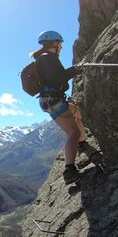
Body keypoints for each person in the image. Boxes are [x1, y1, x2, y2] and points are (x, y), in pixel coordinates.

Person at [31, 31, 86, 184]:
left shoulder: (43, 59)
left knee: (78, 114)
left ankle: (82, 143)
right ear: (54, 43)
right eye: (60, 43)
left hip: (49, 99)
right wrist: (76, 69)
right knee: (73, 132)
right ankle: (69, 170)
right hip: (53, 99)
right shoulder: (48, 58)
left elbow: (56, 78)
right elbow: (58, 78)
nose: (61, 46)